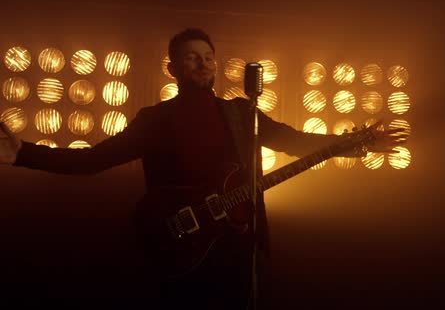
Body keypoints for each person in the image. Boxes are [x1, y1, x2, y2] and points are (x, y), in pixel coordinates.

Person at [0, 28, 407, 309]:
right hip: (180, 242)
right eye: (192, 58)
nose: (203, 64)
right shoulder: (156, 119)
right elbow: (92, 161)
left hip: (235, 247)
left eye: (209, 57)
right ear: (173, 68)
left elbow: (296, 140)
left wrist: (357, 144)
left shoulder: (240, 113)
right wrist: (25, 153)